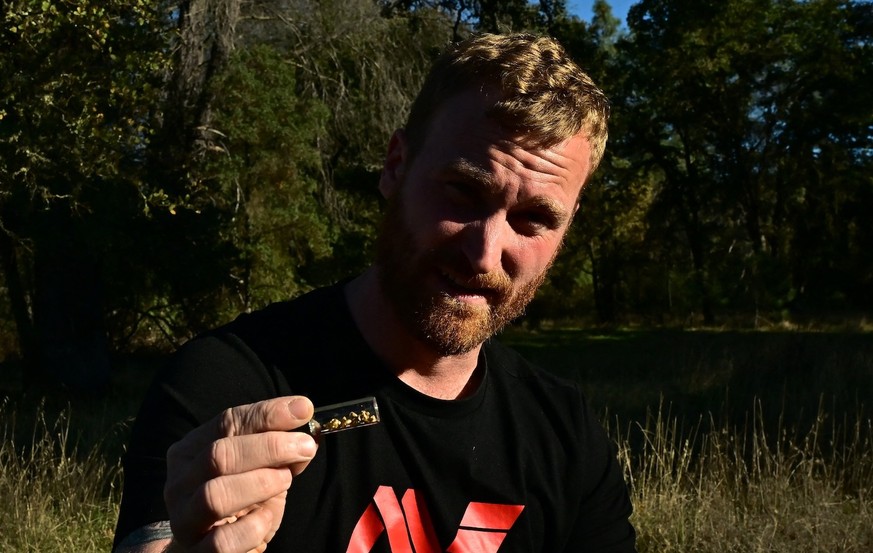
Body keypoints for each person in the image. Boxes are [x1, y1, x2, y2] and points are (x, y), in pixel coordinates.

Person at [113, 32, 637, 553]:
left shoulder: (565, 434)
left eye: (534, 219)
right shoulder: (227, 387)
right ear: (395, 167)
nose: (484, 252)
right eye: (462, 190)